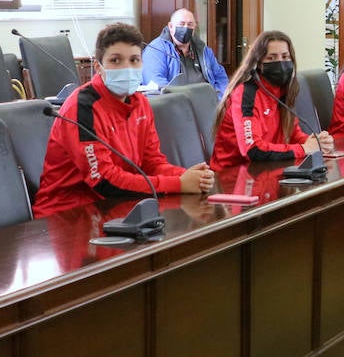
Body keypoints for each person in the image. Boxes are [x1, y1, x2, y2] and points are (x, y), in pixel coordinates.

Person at [33, 22, 214, 216]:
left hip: (115, 206)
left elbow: (151, 163)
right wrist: (178, 184)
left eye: (134, 60)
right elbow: (104, 181)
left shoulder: (141, 104)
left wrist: (189, 177)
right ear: (98, 67)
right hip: (66, 214)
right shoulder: (82, 107)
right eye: (116, 60)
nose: (127, 67)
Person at [210, 30, 334, 171]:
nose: (280, 63)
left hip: (267, 169)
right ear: (258, 63)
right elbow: (253, 150)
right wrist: (303, 148)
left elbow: (292, 133)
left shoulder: (282, 90)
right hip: (233, 175)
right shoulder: (246, 94)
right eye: (271, 58)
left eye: (285, 57)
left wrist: (314, 142)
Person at [141, 8, 229, 96]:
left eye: (190, 24)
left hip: (208, 104)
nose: (186, 28)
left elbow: (220, 78)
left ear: (195, 27)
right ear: (170, 26)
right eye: (181, 24)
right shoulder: (155, 50)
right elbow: (157, 85)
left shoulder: (204, 50)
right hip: (175, 105)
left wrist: (219, 101)